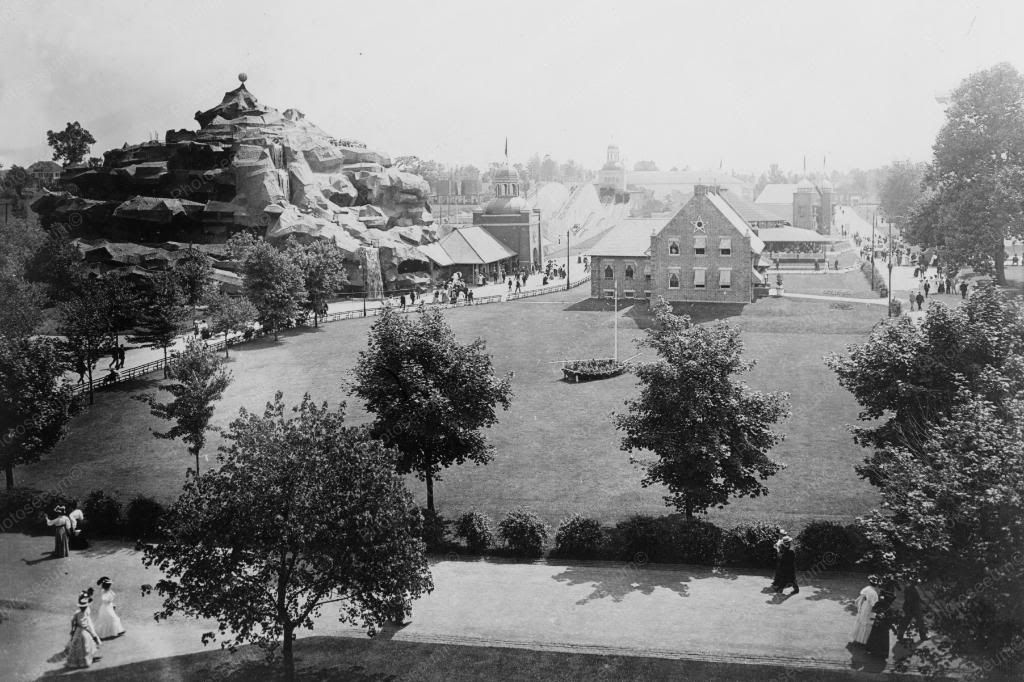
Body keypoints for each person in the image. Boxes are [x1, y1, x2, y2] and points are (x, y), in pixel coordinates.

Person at [65, 589, 102, 668]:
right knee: (86, 646)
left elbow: (73, 620)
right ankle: (86, 660)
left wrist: (73, 629)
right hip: (83, 632)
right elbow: (84, 625)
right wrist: (92, 634)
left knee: (80, 646)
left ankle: (87, 658)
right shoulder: (83, 614)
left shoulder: (77, 612)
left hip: (78, 631)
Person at [865, 587, 896, 659]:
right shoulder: (889, 608)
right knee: (882, 639)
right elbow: (891, 620)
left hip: (878, 624)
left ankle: (871, 650)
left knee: (874, 636)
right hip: (883, 626)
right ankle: (881, 653)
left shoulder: (880, 604)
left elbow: (874, 610)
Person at [851, 576, 881, 646]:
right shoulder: (874, 593)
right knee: (866, 622)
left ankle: (857, 638)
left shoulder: (867, 588)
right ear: (876, 585)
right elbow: (874, 604)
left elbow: (861, 597)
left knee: (861, 620)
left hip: (864, 605)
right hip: (868, 607)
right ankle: (862, 640)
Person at [896, 579, 928, 644]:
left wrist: (923, 603)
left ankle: (900, 635)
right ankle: (923, 636)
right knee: (918, 621)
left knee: (909, 621)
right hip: (912, 608)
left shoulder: (912, 588)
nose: (917, 583)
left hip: (913, 607)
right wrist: (909, 610)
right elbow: (909, 599)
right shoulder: (910, 588)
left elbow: (917, 598)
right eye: (916, 582)